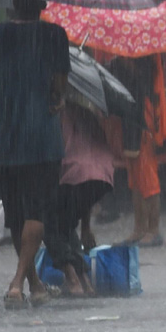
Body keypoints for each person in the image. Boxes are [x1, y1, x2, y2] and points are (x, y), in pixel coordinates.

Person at [0, 0, 70, 309]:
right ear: (42, 6)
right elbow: (60, 83)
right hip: (43, 141)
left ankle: (36, 285)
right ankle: (18, 283)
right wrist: (58, 98)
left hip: (7, 141)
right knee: (37, 213)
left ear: (10, 6)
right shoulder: (54, 35)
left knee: (16, 217)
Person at [47, 103, 115, 297]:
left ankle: (73, 278)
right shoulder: (87, 112)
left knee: (49, 224)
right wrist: (86, 227)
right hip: (102, 176)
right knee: (66, 223)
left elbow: (55, 154)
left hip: (74, 173)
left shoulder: (55, 115)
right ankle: (84, 278)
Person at [108, 54, 166, 246]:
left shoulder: (148, 56)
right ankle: (139, 228)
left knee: (147, 177)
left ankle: (154, 229)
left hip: (144, 121)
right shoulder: (131, 54)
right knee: (134, 178)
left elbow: (143, 83)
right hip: (132, 119)